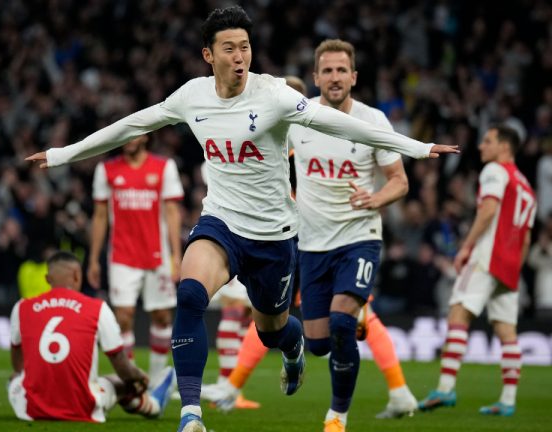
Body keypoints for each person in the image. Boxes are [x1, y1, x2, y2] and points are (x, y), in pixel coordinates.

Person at [26, 7, 457, 432]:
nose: (239, 56)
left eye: (245, 47)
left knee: (272, 330)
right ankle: (191, 415)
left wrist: (417, 147)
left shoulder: (274, 96)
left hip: (273, 236)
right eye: (229, 48)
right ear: (208, 55)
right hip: (221, 222)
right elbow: (133, 124)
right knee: (191, 295)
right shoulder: (191, 96)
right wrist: (64, 154)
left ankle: (292, 346)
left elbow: (341, 125)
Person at [204, 62, 420, 427]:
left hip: (355, 238)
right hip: (303, 240)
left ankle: (337, 414)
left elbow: (398, 179)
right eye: (328, 70)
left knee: (333, 317)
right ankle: (398, 390)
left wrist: (378, 195)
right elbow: (269, 162)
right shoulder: (293, 130)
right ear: (317, 79)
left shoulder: (364, 120)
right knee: (306, 333)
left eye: (342, 70)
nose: (335, 77)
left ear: (353, 76)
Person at [418, 125, 536, 417]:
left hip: (487, 256)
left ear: (505, 148)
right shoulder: (526, 186)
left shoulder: (496, 171)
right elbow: (527, 237)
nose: (481, 146)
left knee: (459, 313)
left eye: (488, 141)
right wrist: (515, 269)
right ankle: (508, 400)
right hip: (510, 265)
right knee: (507, 330)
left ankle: (445, 389)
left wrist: (467, 248)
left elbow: (488, 211)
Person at [7, 251, 176, 423]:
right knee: (119, 381)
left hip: (31, 410)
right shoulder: (97, 308)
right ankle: (153, 405)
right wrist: (138, 376)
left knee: (15, 378)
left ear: (47, 278)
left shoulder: (21, 307)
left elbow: (17, 364)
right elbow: (120, 363)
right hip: (82, 407)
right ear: (76, 275)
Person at [87, 134, 183, 384]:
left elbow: (172, 213)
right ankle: (132, 381)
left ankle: (156, 379)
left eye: (134, 134)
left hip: (157, 255)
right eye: (124, 135)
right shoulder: (105, 170)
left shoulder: (164, 167)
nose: (128, 140)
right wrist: (94, 259)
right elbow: (99, 217)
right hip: (121, 255)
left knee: (162, 316)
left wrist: (176, 255)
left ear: (146, 136)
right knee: (124, 316)